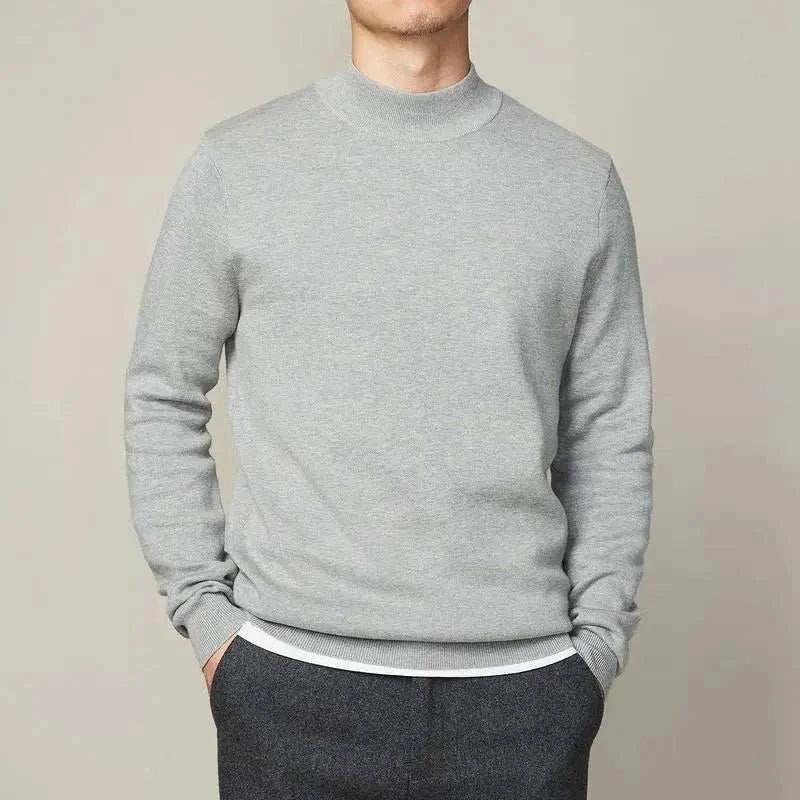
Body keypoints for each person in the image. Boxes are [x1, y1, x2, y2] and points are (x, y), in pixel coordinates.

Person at [123, 1, 655, 797]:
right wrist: (207, 619)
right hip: (289, 687)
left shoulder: (578, 182)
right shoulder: (236, 166)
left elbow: (610, 429)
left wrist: (598, 646)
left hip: (527, 697)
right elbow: (162, 391)